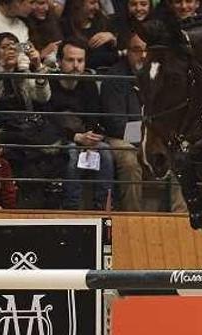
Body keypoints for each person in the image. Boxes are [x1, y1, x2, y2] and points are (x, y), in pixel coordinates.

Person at [0, 32, 59, 207]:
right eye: (4, 48)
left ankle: (39, 200)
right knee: (26, 152)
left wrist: (37, 65)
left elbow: (43, 97)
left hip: (24, 129)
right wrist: (2, 68)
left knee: (51, 150)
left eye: (13, 47)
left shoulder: (23, 75)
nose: (10, 51)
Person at [47, 37, 114, 210]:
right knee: (71, 154)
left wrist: (91, 137)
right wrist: (75, 137)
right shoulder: (50, 82)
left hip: (84, 136)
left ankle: (103, 207)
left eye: (80, 60)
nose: (76, 65)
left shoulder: (88, 84)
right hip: (59, 137)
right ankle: (72, 207)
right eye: (70, 60)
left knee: (105, 151)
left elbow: (95, 116)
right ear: (60, 61)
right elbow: (48, 120)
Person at [100, 32, 145, 211]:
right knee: (129, 160)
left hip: (148, 138)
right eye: (137, 50)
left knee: (178, 157)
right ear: (127, 52)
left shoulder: (158, 76)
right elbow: (116, 124)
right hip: (118, 138)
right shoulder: (115, 78)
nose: (143, 55)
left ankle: (180, 219)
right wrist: (145, 137)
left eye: (147, 50)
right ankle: (134, 218)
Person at [61, 0, 118, 70]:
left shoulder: (104, 24)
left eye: (98, 3)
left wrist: (112, 39)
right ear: (78, 4)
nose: (97, 7)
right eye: (92, 3)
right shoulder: (64, 26)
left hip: (105, 74)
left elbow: (115, 57)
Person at [27, 0, 63, 68]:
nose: (46, 8)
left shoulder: (52, 19)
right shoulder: (24, 25)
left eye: (47, 3)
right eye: (41, 3)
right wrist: (42, 53)